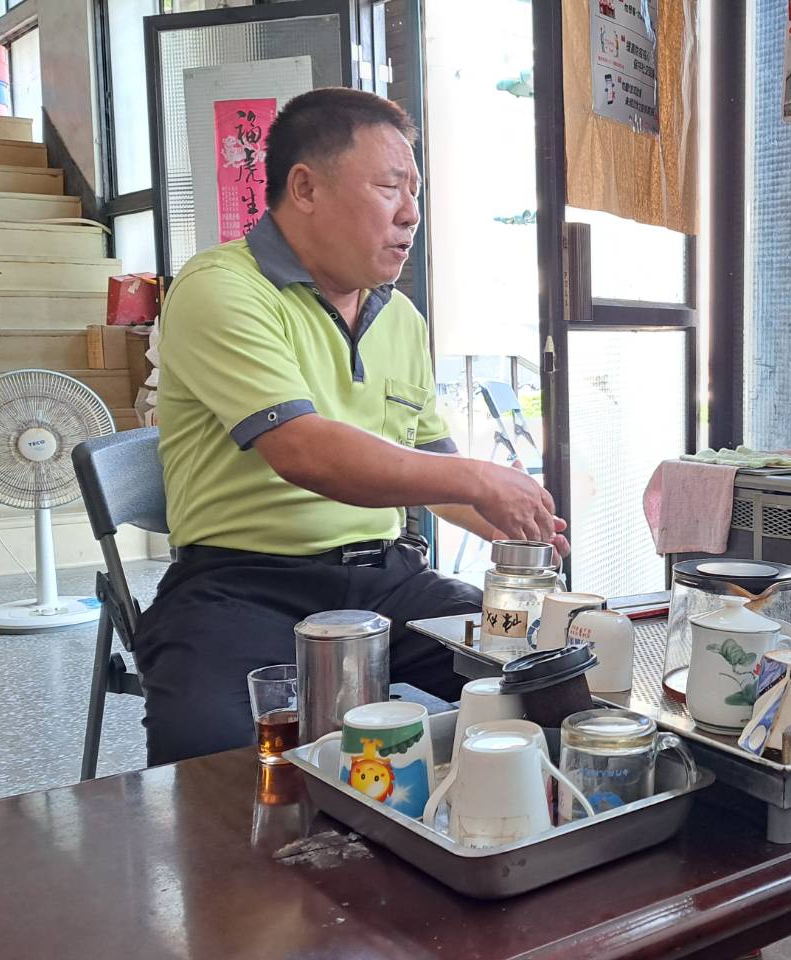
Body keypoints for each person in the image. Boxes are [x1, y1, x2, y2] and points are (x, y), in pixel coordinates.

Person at [137, 88, 567, 766]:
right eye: (390, 188)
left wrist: (501, 519)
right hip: (240, 586)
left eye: (415, 193)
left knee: (553, 677)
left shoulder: (400, 318)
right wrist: (478, 477)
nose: (410, 214)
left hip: (389, 581)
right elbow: (303, 450)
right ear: (305, 187)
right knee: (209, 759)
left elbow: (428, 464)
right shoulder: (221, 288)